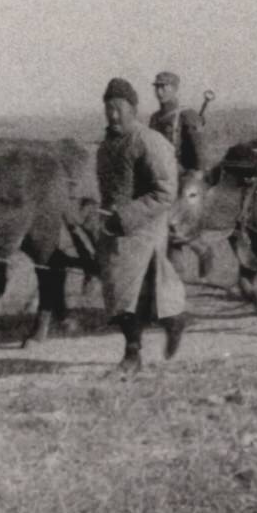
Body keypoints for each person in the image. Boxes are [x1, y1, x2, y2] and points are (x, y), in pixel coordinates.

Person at [96, 77, 187, 372]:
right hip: (115, 229)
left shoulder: (148, 141)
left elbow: (165, 191)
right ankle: (133, 350)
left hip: (144, 229)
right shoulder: (106, 146)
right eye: (108, 108)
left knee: (142, 293)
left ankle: (170, 326)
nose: (113, 114)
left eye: (119, 107)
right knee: (117, 292)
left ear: (133, 109)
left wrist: (127, 216)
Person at [149, 70, 213, 277]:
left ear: (174, 89)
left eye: (164, 87)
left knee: (171, 224)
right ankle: (174, 273)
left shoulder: (187, 115)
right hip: (161, 178)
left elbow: (200, 153)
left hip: (186, 179)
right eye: (157, 87)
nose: (159, 91)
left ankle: (202, 251)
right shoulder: (155, 118)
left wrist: (194, 179)